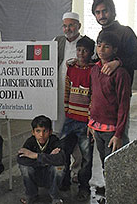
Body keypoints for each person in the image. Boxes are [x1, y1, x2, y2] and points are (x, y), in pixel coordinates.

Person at [91, 0, 137, 145]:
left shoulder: (126, 32)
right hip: (103, 97)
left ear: (113, 11)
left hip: (120, 95)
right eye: (97, 12)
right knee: (106, 142)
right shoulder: (101, 34)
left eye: (105, 11)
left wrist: (118, 62)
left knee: (119, 138)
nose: (101, 16)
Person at [88, 31, 131, 173]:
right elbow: (93, 97)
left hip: (112, 130)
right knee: (105, 165)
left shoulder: (120, 74)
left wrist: (119, 134)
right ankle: (109, 194)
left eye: (106, 47)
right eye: (99, 45)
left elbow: (123, 106)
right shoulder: (94, 69)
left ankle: (118, 196)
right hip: (97, 128)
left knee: (115, 168)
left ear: (115, 50)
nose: (101, 50)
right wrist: (91, 123)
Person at [60, 36, 95, 201]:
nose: (81, 53)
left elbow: (94, 96)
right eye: (79, 50)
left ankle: (84, 187)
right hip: (70, 119)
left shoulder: (94, 70)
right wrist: (67, 109)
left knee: (86, 158)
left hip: (86, 122)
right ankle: (64, 181)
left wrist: (91, 119)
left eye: (85, 51)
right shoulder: (71, 68)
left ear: (91, 53)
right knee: (63, 151)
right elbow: (67, 89)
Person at [53, 11, 83, 187]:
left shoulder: (87, 43)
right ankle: (60, 171)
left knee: (77, 136)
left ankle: (77, 172)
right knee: (60, 134)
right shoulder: (58, 41)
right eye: (65, 25)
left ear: (78, 26)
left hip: (78, 97)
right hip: (58, 96)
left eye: (71, 25)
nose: (67, 29)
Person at [18, 115, 65, 204]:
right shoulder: (30, 142)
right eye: (38, 131)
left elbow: (61, 159)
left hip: (50, 175)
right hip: (36, 175)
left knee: (59, 168)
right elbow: (21, 159)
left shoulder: (54, 140)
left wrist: (35, 155)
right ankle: (31, 195)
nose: (41, 135)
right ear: (33, 132)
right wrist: (48, 159)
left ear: (50, 131)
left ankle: (55, 196)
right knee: (24, 167)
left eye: (45, 131)